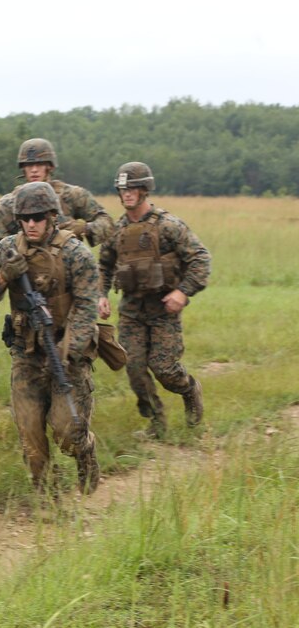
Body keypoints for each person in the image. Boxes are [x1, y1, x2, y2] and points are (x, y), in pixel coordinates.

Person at [0, 181, 101, 495]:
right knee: (29, 433)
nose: (31, 224)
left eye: (38, 217)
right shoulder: (6, 250)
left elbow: (87, 307)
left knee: (67, 433)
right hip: (26, 353)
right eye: (24, 218)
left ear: (52, 217)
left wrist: (67, 349)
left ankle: (85, 450)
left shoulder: (76, 253)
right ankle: (47, 499)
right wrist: (4, 275)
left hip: (66, 355)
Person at [97, 162, 211, 439]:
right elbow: (104, 266)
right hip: (131, 310)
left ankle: (189, 389)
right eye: (122, 188)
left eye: (133, 188)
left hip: (163, 310)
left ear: (145, 190)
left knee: (165, 369)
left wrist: (182, 292)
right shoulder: (116, 231)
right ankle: (157, 424)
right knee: (134, 369)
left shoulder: (168, 226)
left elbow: (200, 258)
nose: (127, 193)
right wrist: (101, 294)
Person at [0, 138, 115, 247]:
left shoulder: (71, 195)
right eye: (29, 165)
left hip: (68, 262)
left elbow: (107, 223)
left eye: (39, 164)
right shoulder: (9, 203)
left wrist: (84, 228)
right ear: (23, 168)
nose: (34, 170)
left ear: (50, 167)